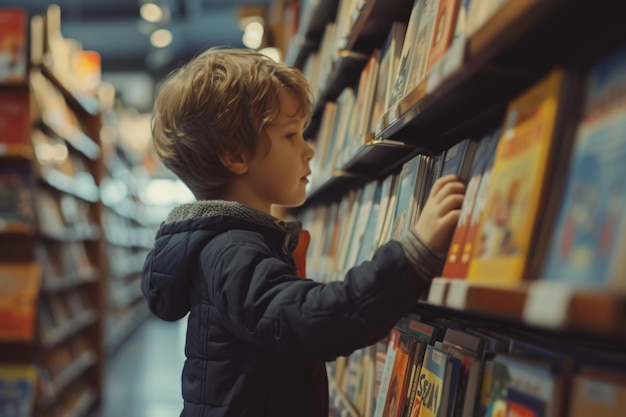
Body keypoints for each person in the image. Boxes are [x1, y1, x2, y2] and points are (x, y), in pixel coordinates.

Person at [141, 47, 466, 417]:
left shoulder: (233, 245)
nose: (308, 150)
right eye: (291, 135)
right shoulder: (232, 253)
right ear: (236, 155)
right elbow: (317, 320)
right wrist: (411, 257)